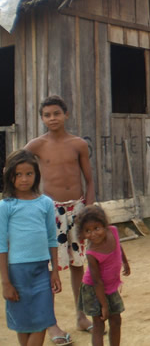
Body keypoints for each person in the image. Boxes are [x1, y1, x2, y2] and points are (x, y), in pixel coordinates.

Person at [25, 95, 96, 345]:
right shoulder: (35, 145)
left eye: (56, 113)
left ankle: (81, 315)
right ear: (42, 118)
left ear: (66, 114)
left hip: (77, 210)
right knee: (49, 268)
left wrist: (88, 208)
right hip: (48, 213)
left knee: (78, 264)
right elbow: (16, 168)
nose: (52, 118)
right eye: (47, 115)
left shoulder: (78, 144)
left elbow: (89, 179)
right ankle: (50, 323)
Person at [0, 150, 62, 346]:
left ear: (36, 175)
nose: (24, 179)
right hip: (17, 272)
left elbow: (52, 239)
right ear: (10, 176)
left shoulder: (45, 203)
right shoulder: (6, 206)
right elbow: (1, 245)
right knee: (23, 322)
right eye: (18, 174)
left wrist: (55, 271)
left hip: (42, 271)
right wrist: (6, 282)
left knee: (42, 320)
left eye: (29, 174)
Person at [76, 205, 130, 346]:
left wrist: (125, 261)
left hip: (110, 288)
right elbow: (97, 281)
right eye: (87, 231)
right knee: (99, 325)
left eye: (96, 228)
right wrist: (104, 306)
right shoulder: (91, 253)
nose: (93, 234)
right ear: (82, 233)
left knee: (116, 320)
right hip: (94, 290)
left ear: (105, 226)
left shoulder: (113, 231)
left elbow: (119, 246)